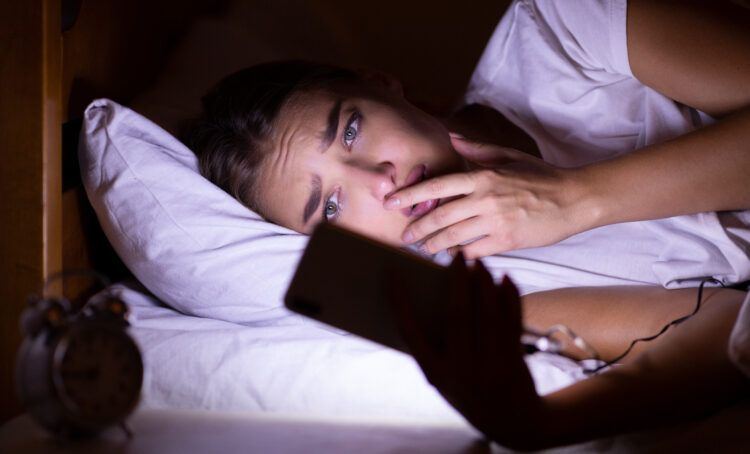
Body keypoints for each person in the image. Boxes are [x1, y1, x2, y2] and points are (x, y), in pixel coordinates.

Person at [183, 0, 750, 448]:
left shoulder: (563, 30)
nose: (378, 181)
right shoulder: (469, 292)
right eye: (329, 207)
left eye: (350, 131)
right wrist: (541, 426)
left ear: (379, 82)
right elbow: (728, 332)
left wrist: (579, 198)